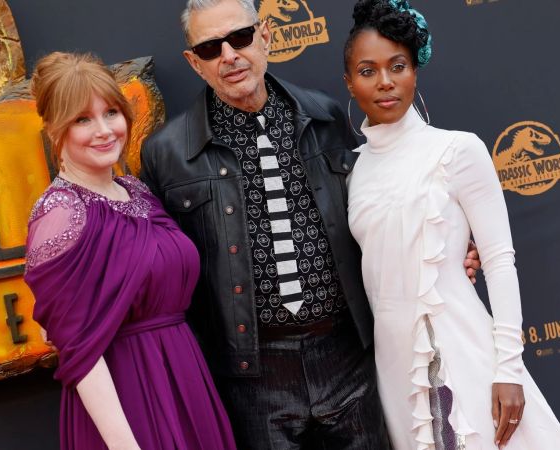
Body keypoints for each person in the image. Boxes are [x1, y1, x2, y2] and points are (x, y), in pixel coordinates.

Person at [140, 0, 481, 448]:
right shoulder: (166, 153)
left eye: (240, 37)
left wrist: (444, 250)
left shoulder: (324, 117)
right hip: (252, 377)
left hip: (348, 356)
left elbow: (379, 206)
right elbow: (164, 267)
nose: (229, 55)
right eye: (210, 48)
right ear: (194, 62)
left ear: (264, 36)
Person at [342, 1, 560, 449]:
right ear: (350, 82)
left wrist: (507, 369)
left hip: (465, 350)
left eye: (398, 66)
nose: (386, 81)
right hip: (394, 368)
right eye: (368, 71)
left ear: (415, 71)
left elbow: (499, 260)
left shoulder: (458, 150)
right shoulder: (352, 173)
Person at [23, 52, 236, 450]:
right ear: (55, 129)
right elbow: (79, 355)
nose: (104, 130)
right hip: (126, 407)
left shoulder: (136, 191)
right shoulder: (60, 212)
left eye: (111, 113)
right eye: (82, 119)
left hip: (186, 384)